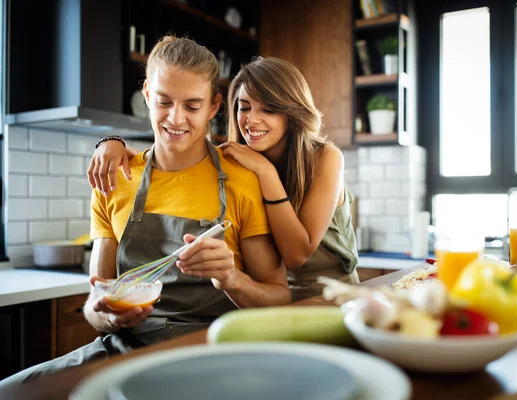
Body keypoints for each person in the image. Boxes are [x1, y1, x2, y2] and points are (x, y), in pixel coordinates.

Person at [0, 36, 289, 392]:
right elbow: (96, 299)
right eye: (164, 101)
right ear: (147, 95)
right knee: (15, 391)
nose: (175, 118)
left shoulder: (242, 182)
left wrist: (231, 278)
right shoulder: (114, 180)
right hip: (125, 350)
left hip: (212, 354)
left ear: (214, 106)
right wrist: (105, 315)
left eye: (192, 106)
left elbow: (280, 298)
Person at [87, 57, 359, 302]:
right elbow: (166, 159)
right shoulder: (240, 160)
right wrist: (112, 143)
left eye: (268, 110)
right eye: (244, 107)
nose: (251, 120)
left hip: (333, 297)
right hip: (272, 302)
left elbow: (296, 256)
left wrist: (266, 173)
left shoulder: (325, 158)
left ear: (291, 111)